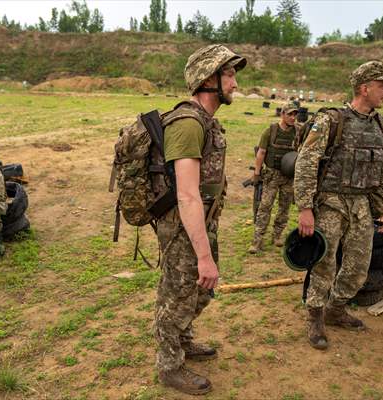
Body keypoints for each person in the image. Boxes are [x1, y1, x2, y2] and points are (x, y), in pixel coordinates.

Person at [154, 44, 246, 395]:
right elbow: (187, 195)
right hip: (182, 227)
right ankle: (170, 366)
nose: (235, 83)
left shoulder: (207, 121)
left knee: (200, 292)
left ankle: (183, 340)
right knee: (177, 296)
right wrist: (203, 256)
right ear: (209, 78)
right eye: (230, 74)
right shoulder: (188, 123)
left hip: (201, 223)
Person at [294, 61, 383, 350]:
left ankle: (336, 309)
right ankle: (315, 315)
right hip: (330, 203)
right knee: (324, 264)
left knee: (357, 267)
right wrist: (305, 208)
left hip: (361, 205)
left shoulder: (379, 123)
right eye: (382, 85)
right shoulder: (330, 120)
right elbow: (306, 162)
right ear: (364, 88)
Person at [248, 102, 299, 253]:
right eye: (289, 114)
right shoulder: (270, 131)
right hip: (272, 175)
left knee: (284, 207)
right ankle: (257, 240)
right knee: (264, 207)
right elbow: (261, 153)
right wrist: (257, 173)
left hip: (289, 177)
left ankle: (277, 235)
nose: (292, 117)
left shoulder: (298, 131)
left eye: (295, 114)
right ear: (282, 114)